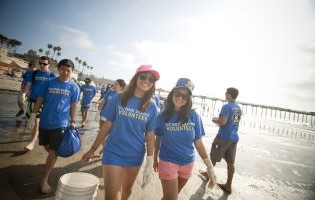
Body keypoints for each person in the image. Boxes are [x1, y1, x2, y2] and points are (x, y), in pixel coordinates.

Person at [81, 65, 160, 199]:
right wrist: (93, 148)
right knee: (112, 196)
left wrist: (149, 161)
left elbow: (150, 135)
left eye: (151, 79)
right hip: (113, 151)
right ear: (136, 78)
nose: (147, 80)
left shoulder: (152, 106)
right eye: (143, 76)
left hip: (135, 154)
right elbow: (107, 125)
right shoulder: (119, 98)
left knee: (127, 191)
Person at [154, 78, 216, 199]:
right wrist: (154, 158)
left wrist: (209, 165)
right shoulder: (163, 116)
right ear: (173, 93)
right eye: (177, 94)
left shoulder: (193, 116)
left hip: (188, 163)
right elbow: (158, 138)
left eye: (185, 96)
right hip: (168, 161)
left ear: (189, 99)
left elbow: (198, 142)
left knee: (170, 196)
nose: (180, 98)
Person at [27, 59, 80, 194]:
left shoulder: (74, 87)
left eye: (68, 70)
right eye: (63, 69)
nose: (65, 72)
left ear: (72, 72)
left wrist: (73, 121)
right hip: (45, 122)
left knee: (53, 152)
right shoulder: (48, 83)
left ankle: (44, 179)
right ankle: (51, 160)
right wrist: (33, 116)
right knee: (46, 146)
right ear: (58, 69)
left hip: (61, 123)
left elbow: (74, 105)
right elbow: (40, 99)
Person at [199, 87, 242, 194]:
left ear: (229, 95)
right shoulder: (238, 108)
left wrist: (214, 119)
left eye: (226, 93)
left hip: (223, 137)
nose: (225, 94)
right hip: (234, 138)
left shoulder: (227, 107)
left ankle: (207, 175)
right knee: (230, 162)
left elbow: (222, 122)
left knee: (213, 157)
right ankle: (228, 185)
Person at [24, 56, 56, 151]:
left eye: (44, 64)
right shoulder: (33, 73)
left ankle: (32, 142)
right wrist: (24, 95)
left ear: (49, 64)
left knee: (36, 121)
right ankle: (37, 136)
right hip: (32, 101)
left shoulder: (52, 76)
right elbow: (28, 85)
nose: (42, 65)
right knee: (32, 121)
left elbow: (53, 91)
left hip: (43, 103)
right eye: (40, 63)